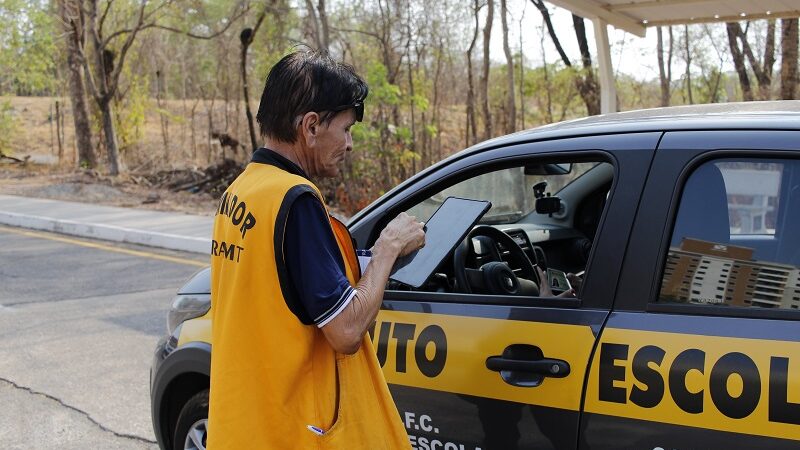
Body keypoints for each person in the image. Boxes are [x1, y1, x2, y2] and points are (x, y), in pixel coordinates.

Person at [207, 50, 424, 449]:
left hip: (244, 426)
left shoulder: (240, 191)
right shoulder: (296, 199)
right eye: (345, 129)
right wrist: (387, 251)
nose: (350, 144)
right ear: (310, 127)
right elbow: (345, 331)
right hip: (293, 432)